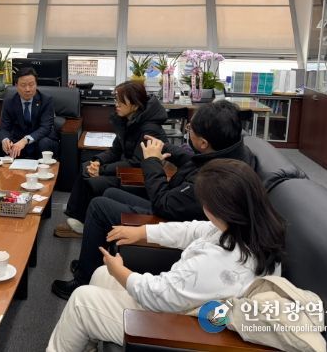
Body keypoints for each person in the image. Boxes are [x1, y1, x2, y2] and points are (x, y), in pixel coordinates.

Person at [47, 159, 286, 352]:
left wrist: (120, 271)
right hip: (192, 307)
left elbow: (158, 294)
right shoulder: (247, 230)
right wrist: (143, 232)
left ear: (220, 208)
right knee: (101, 274)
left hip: (183, 328)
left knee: (81, 300)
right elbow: (192, 230)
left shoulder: (217, 263)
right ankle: (83, 341)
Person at [52, 99, 256, 299]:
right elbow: (192, 160)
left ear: (203, 143)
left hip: (172, 218)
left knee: (99, 207)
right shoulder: (228, 152)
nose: (188, 130)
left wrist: (151, 160)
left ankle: (84, 279)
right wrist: (162, 147)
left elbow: (163, 204)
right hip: (176, 206)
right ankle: (93, 262)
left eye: (191, 129)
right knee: (109, 194)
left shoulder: (215, 178)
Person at [54, 81, 168, 238]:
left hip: (138, 176)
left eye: (121, 101)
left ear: (135, 104)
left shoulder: (149, 129)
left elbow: (136, 163)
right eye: (116, 100)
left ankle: (83, 224)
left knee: (94, 181)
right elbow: (115, 150)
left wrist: (102, 171)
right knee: (87, 166)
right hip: (126, 169)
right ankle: (77, 217)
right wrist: (98, 161)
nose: (116, 104)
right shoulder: (128, 120)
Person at [0, 67, 59, 159]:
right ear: (16, 85)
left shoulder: (46, 101)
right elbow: (4, 128)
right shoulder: (9, 102)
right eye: (23, 85)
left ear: (36, 84)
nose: (27, 89)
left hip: (39, 140)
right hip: (17, 142)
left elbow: (45, 128)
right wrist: (5, 140)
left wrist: (25, 140)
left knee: (44, 143)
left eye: (31, 84)